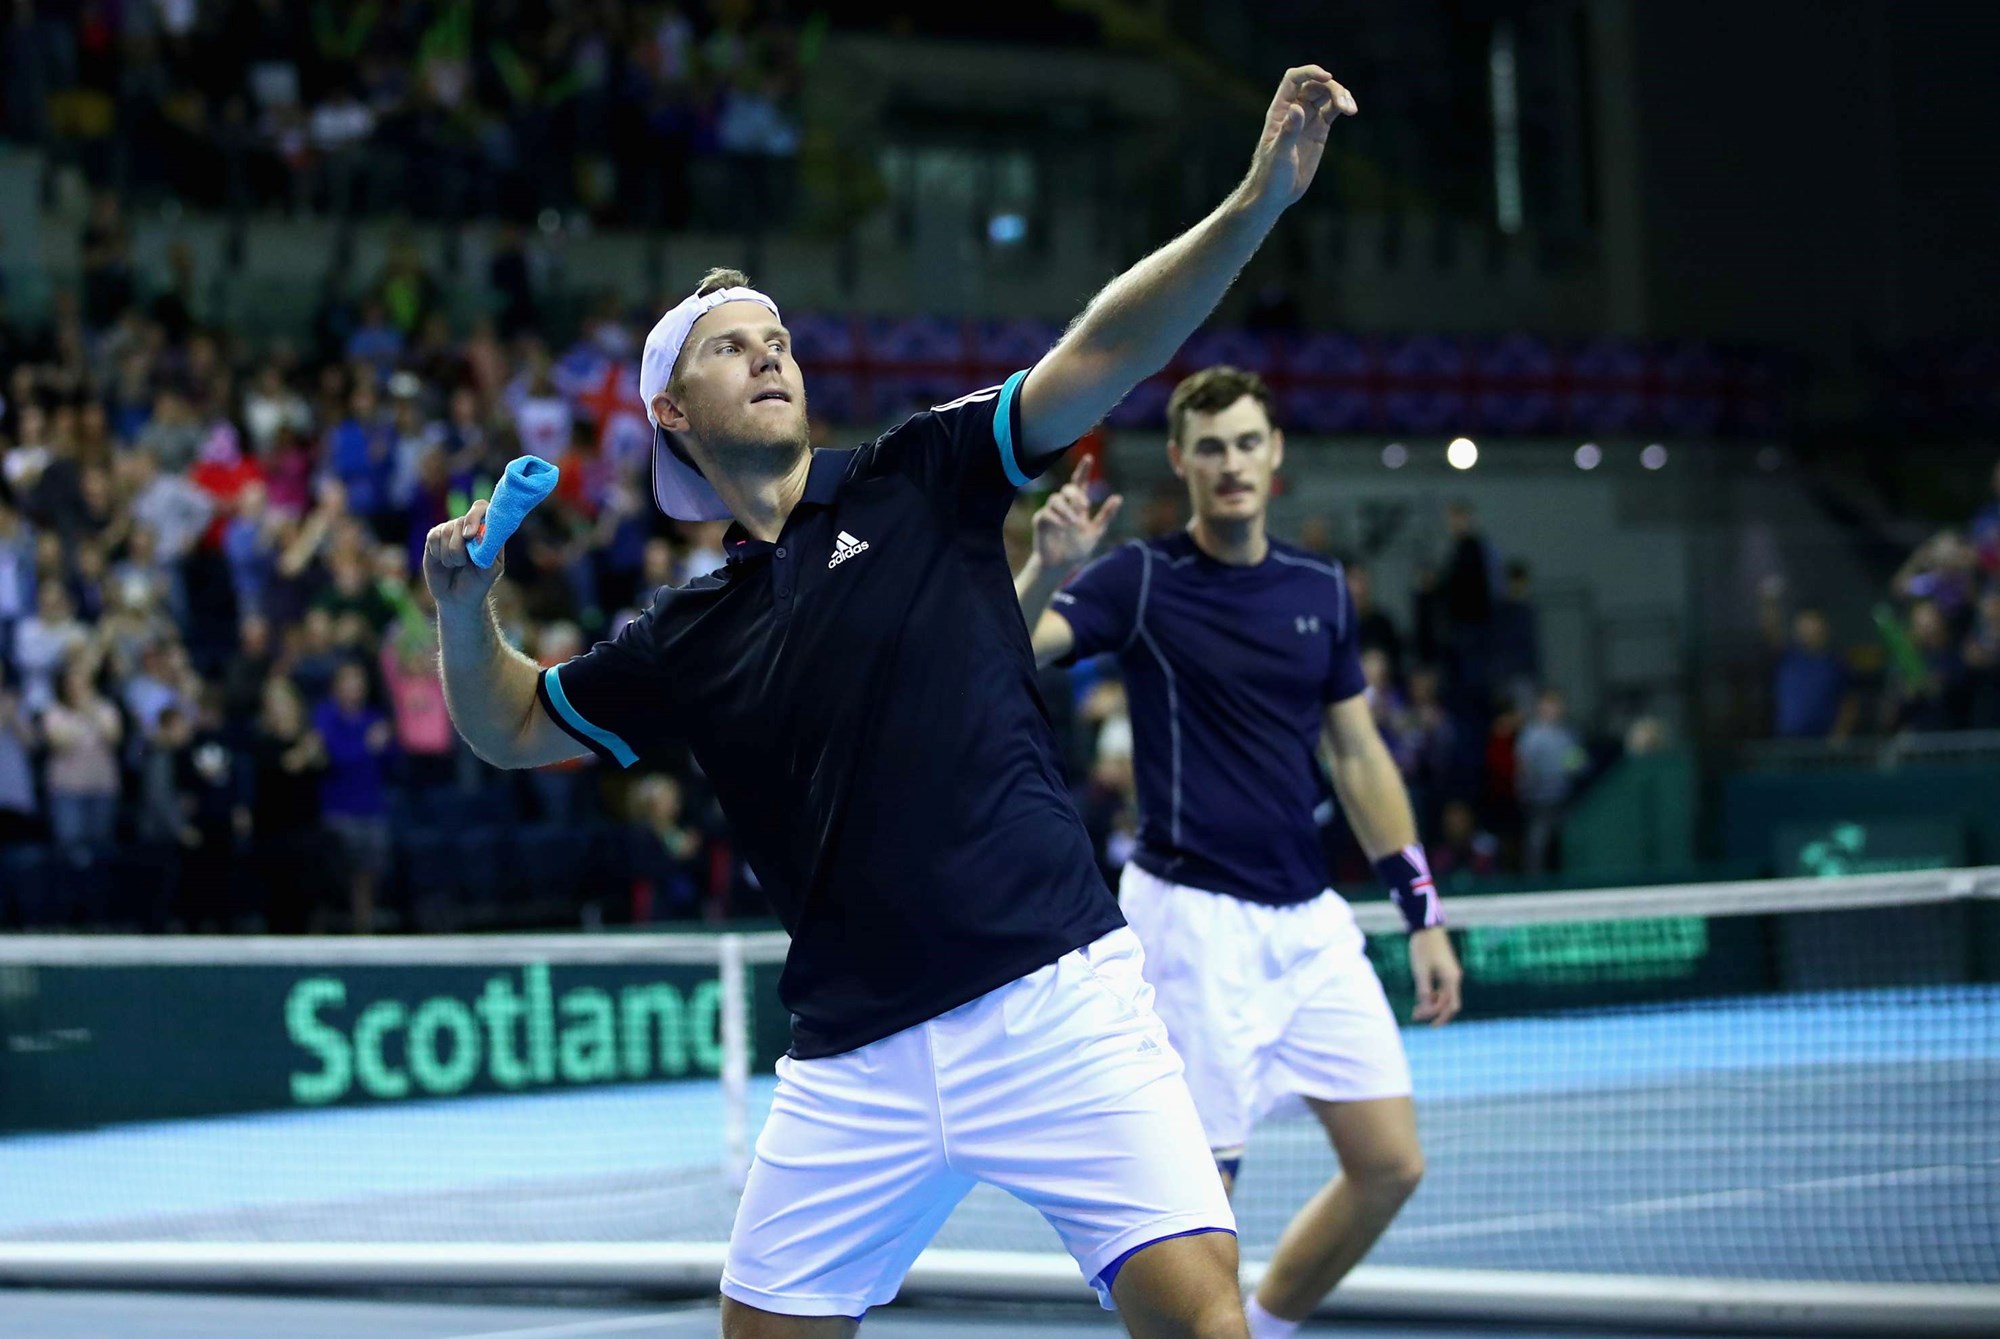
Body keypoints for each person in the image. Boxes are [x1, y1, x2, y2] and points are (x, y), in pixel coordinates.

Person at [428, 63, 1360, 1339]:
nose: (769, 355)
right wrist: (460, 606)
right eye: (729, 348)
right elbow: (509, 724)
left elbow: (1104, 352)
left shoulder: (920, 475)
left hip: (1051, 997)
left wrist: (1254, 205)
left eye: (779, 341)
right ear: (670, 410)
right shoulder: (685, 631)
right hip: (852, 1058)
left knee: (1204, 1324)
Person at [1018, 365, 1463, 1339]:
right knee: (1193, 1218)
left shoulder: (1317, 591)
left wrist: (1421, 912)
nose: (1230, 464)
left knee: (1389, 1163)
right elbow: (1006, 645)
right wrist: (1048, 563)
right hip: (1190, 929)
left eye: (1247, 442)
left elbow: (1357, 755)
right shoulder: (1138, 579)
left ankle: (1261, 1327)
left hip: (1309, 923)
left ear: (1275, 455)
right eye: (1209, 447)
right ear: (1179, 462)